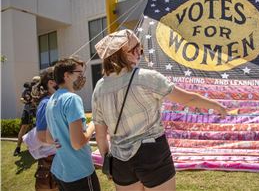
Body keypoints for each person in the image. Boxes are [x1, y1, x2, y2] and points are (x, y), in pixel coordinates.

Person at [92, 29, 228, 191]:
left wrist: (108, 162)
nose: (140, 53)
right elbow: (187, 98)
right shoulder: (146, 77)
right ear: (124, 53)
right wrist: (216, 105)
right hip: (151, 152)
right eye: (137, 48)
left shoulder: (99, 88)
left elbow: (100, 136)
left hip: (119, 159)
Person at [45, 57, 100, 191]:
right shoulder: (72, 99)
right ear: (67, 75)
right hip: (79, 171)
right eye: (79, 73)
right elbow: (78, 143)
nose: (82, 77)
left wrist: (63, 141)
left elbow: (48, 138)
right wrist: (94, 123)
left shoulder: (51, 100)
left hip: (62, 171)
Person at [33, 67, 59, 191]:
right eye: (62, 77)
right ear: (51, 83)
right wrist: (66, 140)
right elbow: (42, 136)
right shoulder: (46, 103)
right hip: (50, 162)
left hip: (57, 159)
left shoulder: (55, 100)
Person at [14, 76, 40, 156]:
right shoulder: (27, 90)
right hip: (27, 110)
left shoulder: (41, 89)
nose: (34, 83)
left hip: (37, 110)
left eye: (36, 81)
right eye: (33, 81)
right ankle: (18, 147)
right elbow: (22, 98)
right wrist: (22, 100)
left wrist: (36, 99)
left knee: (38, 128)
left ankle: (37, 146)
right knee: (24, 127)